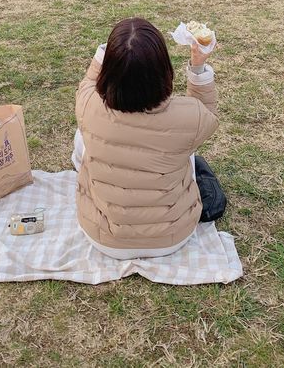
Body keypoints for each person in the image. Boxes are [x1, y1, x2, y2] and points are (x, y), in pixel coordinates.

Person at [73, 17, 218, 260]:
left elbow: (88, 81)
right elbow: (208, 115)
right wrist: (198, 66)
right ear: (164, 70)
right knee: (185, 147)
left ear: (109, 70)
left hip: (104, 238)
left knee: (82, 136)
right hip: (173, 237)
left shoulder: (88, 105)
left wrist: (106, 50)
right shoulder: (189, 117)